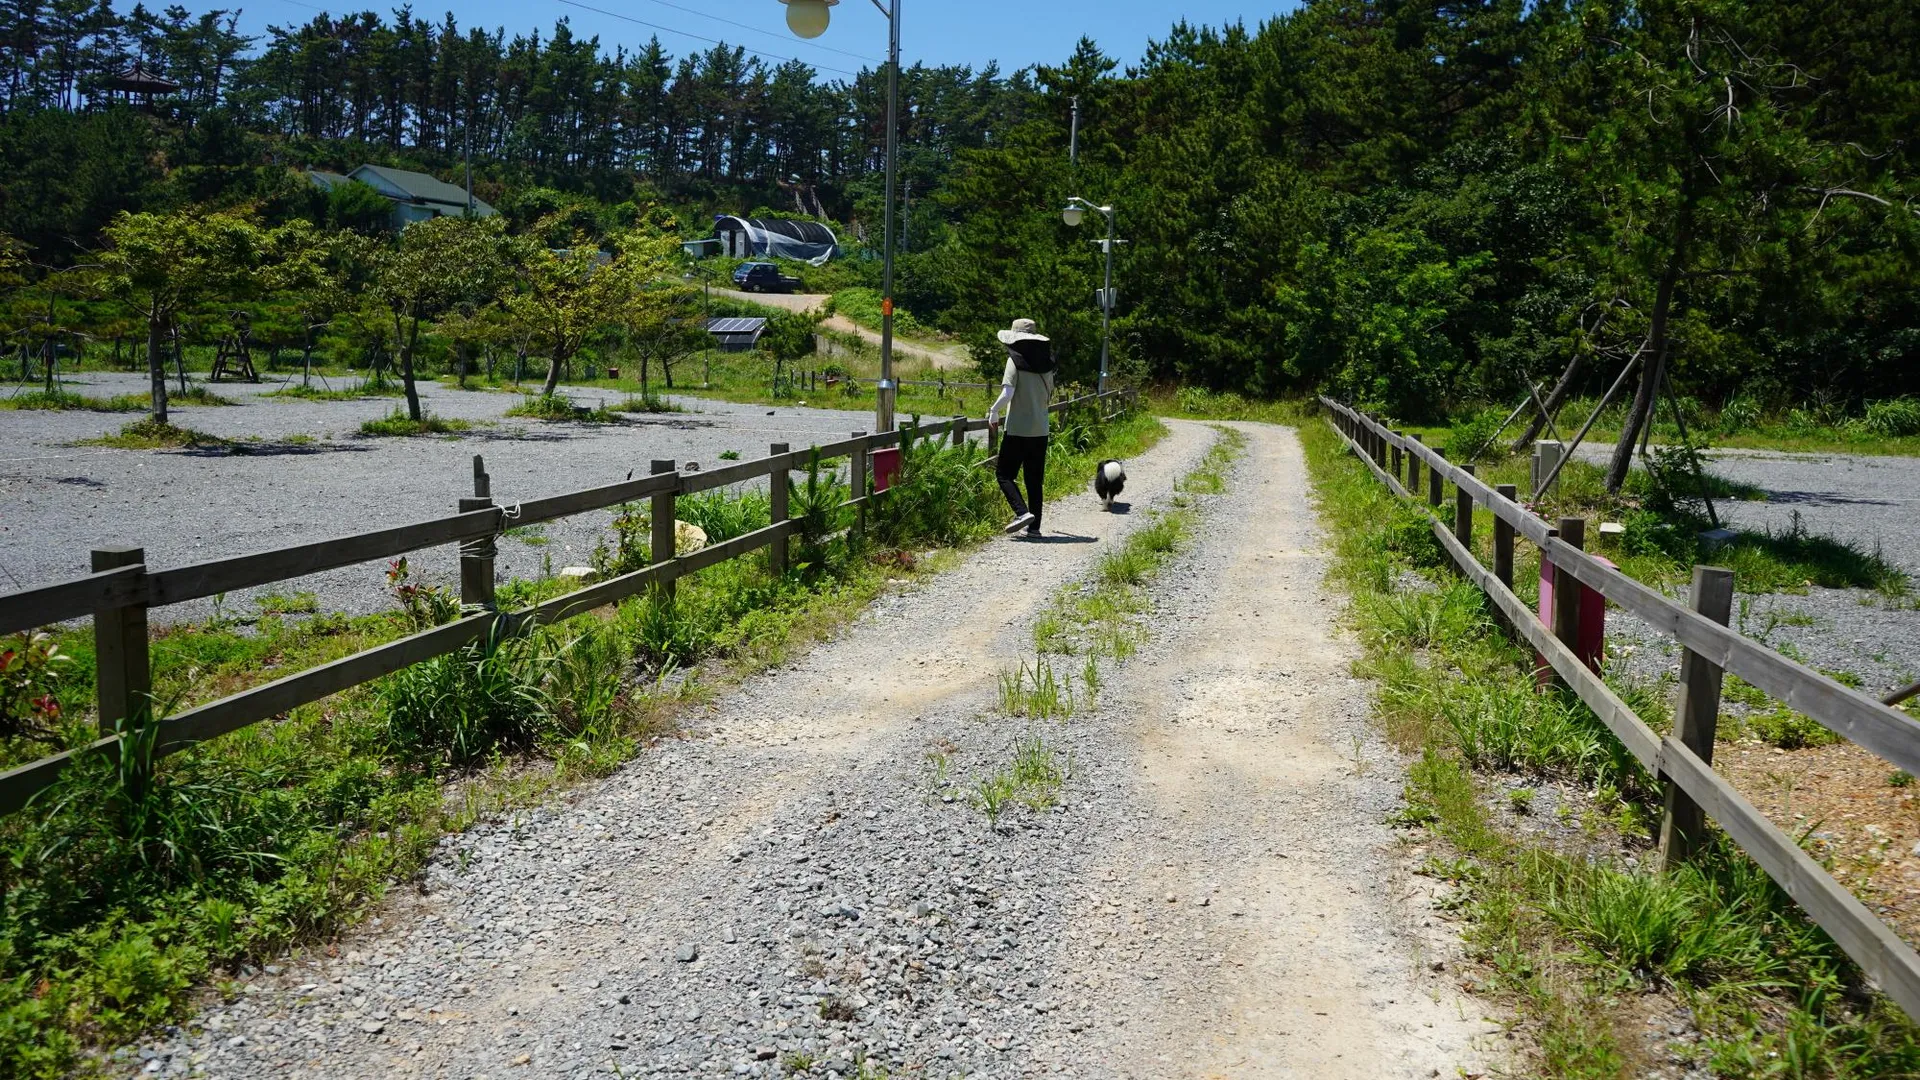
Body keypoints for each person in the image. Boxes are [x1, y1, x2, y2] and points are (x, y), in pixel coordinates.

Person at [986, 317, 1056, 536]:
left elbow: (1007, 393)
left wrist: (994, 411)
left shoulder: (1014, 360)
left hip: (1017, 428)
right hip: (1041, 429)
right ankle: (1034, 528)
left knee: (1004, 474)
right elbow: (1048, 396)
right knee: (1034, 480)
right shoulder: (1048, 363)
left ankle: (1021, 512)